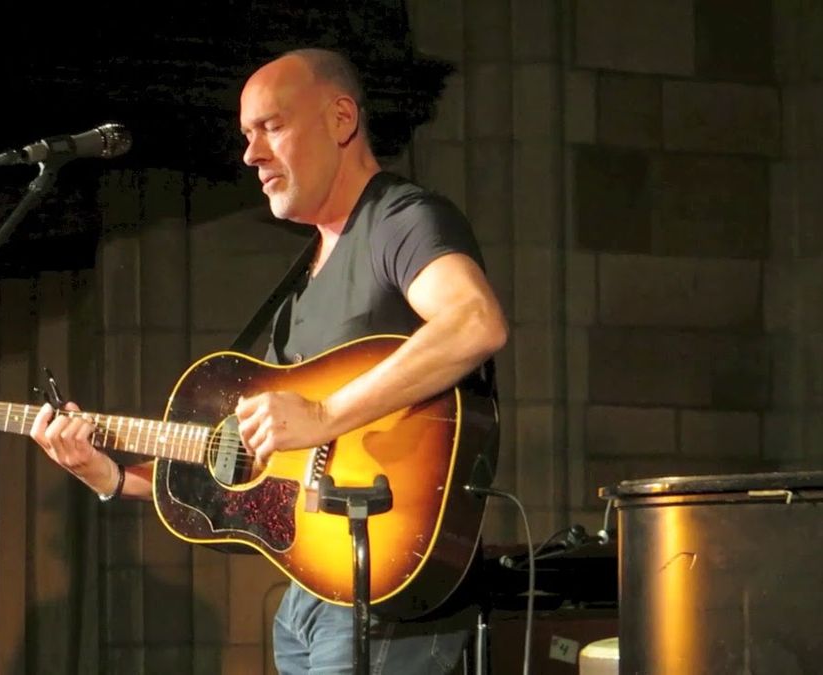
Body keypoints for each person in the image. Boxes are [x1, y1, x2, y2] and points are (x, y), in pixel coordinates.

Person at [30, 47, 508, 673]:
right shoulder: (301, 283)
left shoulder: (401, 220)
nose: (251, 155)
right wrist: (113, 477)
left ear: (340, 120)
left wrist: (325, 410)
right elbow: (251, 459)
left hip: (385, 595)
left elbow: (474, 322)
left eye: (271, 127)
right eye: (246, 136)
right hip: (310, 594)